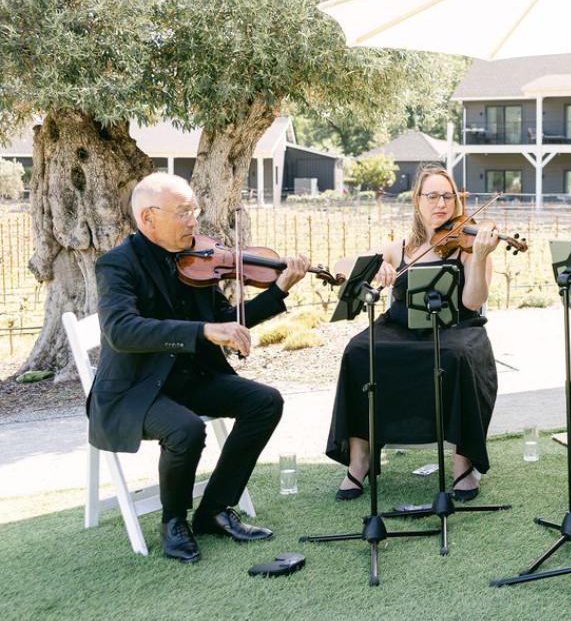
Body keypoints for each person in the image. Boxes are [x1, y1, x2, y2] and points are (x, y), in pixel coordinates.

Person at [89, 172, 309, 563]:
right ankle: (174, 521)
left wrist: (280, 289)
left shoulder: (199, 258)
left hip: (190, 379)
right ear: (148, 219)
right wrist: (203, 331)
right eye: (183, 213)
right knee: (186, 429)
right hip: (137, 389)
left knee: (265, 402)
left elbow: (231, 318)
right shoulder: (116, 265)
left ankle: (215, 510)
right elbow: (121, 331)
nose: (193, 221)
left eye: (195, 211)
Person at [326, 167, 499, 502]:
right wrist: (375, 268)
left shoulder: (469, 245)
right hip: (400, 326)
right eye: (432, 196)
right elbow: (341, 264)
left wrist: (478, 258)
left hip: (457, 328)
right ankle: (360, 458)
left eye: (448, 196)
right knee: (358, 350)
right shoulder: (401, 247)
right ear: (417, 202)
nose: (441, 204)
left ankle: (463, 462)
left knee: (459, 357)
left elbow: (473, 301)